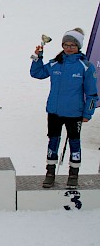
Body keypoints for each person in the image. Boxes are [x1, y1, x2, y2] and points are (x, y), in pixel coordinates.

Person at [30, 28, 98, 188]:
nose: (68, 48)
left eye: (72, 45)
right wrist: (37, 58)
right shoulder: (55, 63)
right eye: (66, 45)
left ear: (78, 46)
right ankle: (50, 173)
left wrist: (88, 112)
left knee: (75, 143)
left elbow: (92, 94)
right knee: (53, 141)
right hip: (54, 111)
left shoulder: (86, 67)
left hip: (75, 113)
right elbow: (37, 73)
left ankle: (73, 175)